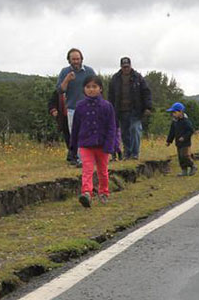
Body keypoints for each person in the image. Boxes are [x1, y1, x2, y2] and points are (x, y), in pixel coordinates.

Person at [70, 75, 118, 207]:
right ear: (84, 89)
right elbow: (75, 128)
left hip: (102, 145)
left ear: (100, 89)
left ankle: (103, 192)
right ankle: (86, 193)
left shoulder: (107, 106)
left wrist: (111, 145)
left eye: (94, 87)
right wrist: (73, 147)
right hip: (85, 144)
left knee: (103, 171)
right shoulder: (80, 106)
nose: (91, 89)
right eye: (88, 87)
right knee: (87, 169)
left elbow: (112, 127)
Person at [56, 48, 96, 166]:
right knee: (76, 134)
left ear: (81, 59)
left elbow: (97, 87)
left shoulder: (89, 71)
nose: (76, 61)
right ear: (69, 60)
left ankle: (88, 158)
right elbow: (60, 90)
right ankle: (80, 159)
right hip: (73, 108)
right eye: (73, 59)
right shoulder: (64, 72)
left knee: (89, 133)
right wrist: (67, 80)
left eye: (78, 59)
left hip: (89, 107)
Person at [107, 56, 152, 160]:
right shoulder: (115, 79)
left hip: (135, 110)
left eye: (127, 66)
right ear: (121, 67)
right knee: (125, 133)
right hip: (121, 110)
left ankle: (135, 153)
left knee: (135, 129)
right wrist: (110, 109)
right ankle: (127, 153)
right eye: (124, 67)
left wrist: (148, 107)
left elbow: (146, 92)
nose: (126, 69)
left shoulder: (138, 77)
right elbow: (111, 95)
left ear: (130, 66)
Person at [165, 102, 196, 176]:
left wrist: (184, 137)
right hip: (178, 143)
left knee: (185, 156)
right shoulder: (174, 122)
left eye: (175, 112)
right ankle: (184, 171)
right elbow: (172, 132)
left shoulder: (186, 121)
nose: (173, 114)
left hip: (185, 143)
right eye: (172, 113)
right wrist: (169, 141)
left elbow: (191, 131)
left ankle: (192, 166)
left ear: (181, 112)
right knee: (180, 158)